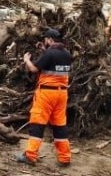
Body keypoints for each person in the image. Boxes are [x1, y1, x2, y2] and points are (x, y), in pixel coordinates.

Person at [17, 28, 72, 166]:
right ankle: (65, 157)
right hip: (62, 93)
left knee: (37, 123)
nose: (44, 41)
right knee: (59, 125)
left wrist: (26, 60)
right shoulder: (67, 54)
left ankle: (30, 156)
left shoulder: (49, 53)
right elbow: (53, 63)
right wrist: (44, 51)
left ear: (49, 39)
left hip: (47, 93)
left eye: (45, 39)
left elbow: (34, 69)